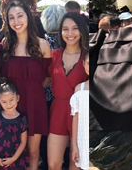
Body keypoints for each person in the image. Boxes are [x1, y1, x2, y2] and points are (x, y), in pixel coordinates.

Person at [0, 2, 52, 170]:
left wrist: (33, 91)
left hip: (35, 104)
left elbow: (48, 77)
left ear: (28, 16)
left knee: (33, 152)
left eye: (20, 15)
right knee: (12, 150)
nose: (16, 21)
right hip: (11, 106)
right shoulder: (6, 44)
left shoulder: (42, 45)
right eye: (11, 18)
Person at [47, 12, 89, 170]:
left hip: (80, 115)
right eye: (65, 29)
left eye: (75, 28)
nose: (70, 33)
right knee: (53, 164)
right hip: (58, 111)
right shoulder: (54, 55)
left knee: (76, 165)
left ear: (81, 30)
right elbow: (44, 80)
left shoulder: (87, 57)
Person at [0, 83, 29, 170]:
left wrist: (13, 159)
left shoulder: (22, 119)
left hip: (16, 161)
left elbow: (23, 141)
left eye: (11, 100)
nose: (8, 104)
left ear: (17, 98)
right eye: (4, 102)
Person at [70, 54, 89, 170]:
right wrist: (74, 146)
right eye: (88, 63)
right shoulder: (79, 89)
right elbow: (75, 119)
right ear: (83, 64)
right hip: (83, 140)